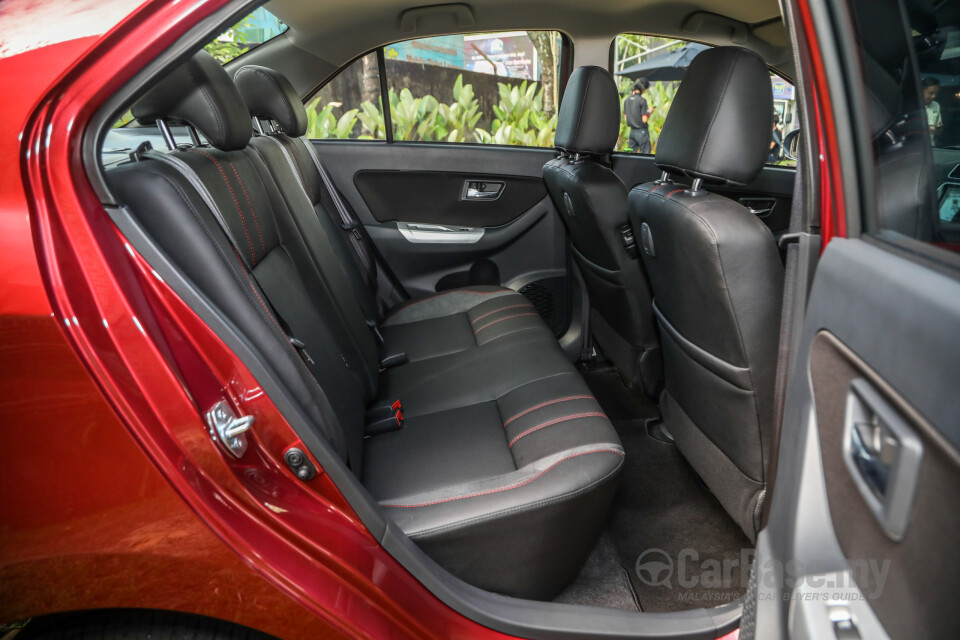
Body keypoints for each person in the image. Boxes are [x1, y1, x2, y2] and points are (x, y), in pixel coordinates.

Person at [624, 78, 653, 154]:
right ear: (643, 88)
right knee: (645, 154)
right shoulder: (642, 100)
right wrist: (649, 112)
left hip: (632, 132)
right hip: (642, 132)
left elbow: (626, 118)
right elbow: (644, 120)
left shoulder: (627, 100)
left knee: (630, 152)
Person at [923, 76, 943, 145]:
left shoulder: (936, 105)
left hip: (931, 148)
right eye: (931, 93)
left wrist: (934, 130)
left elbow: (939, 129)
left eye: (936, 93)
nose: (934, 96)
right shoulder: (912, 105)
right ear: (922, 90)